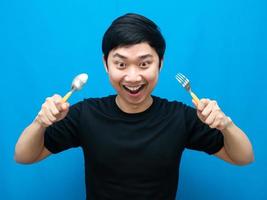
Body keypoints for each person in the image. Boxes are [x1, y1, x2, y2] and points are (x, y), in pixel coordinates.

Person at [15, 13, 254, 200]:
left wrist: (226, 125)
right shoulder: (86, 114)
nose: (132, 77)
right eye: (121, 64)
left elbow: (243, 157)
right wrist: (40, 122)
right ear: (105, 64)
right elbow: (24, 156)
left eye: (144, 64)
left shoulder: (180, 117)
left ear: (160, 63)